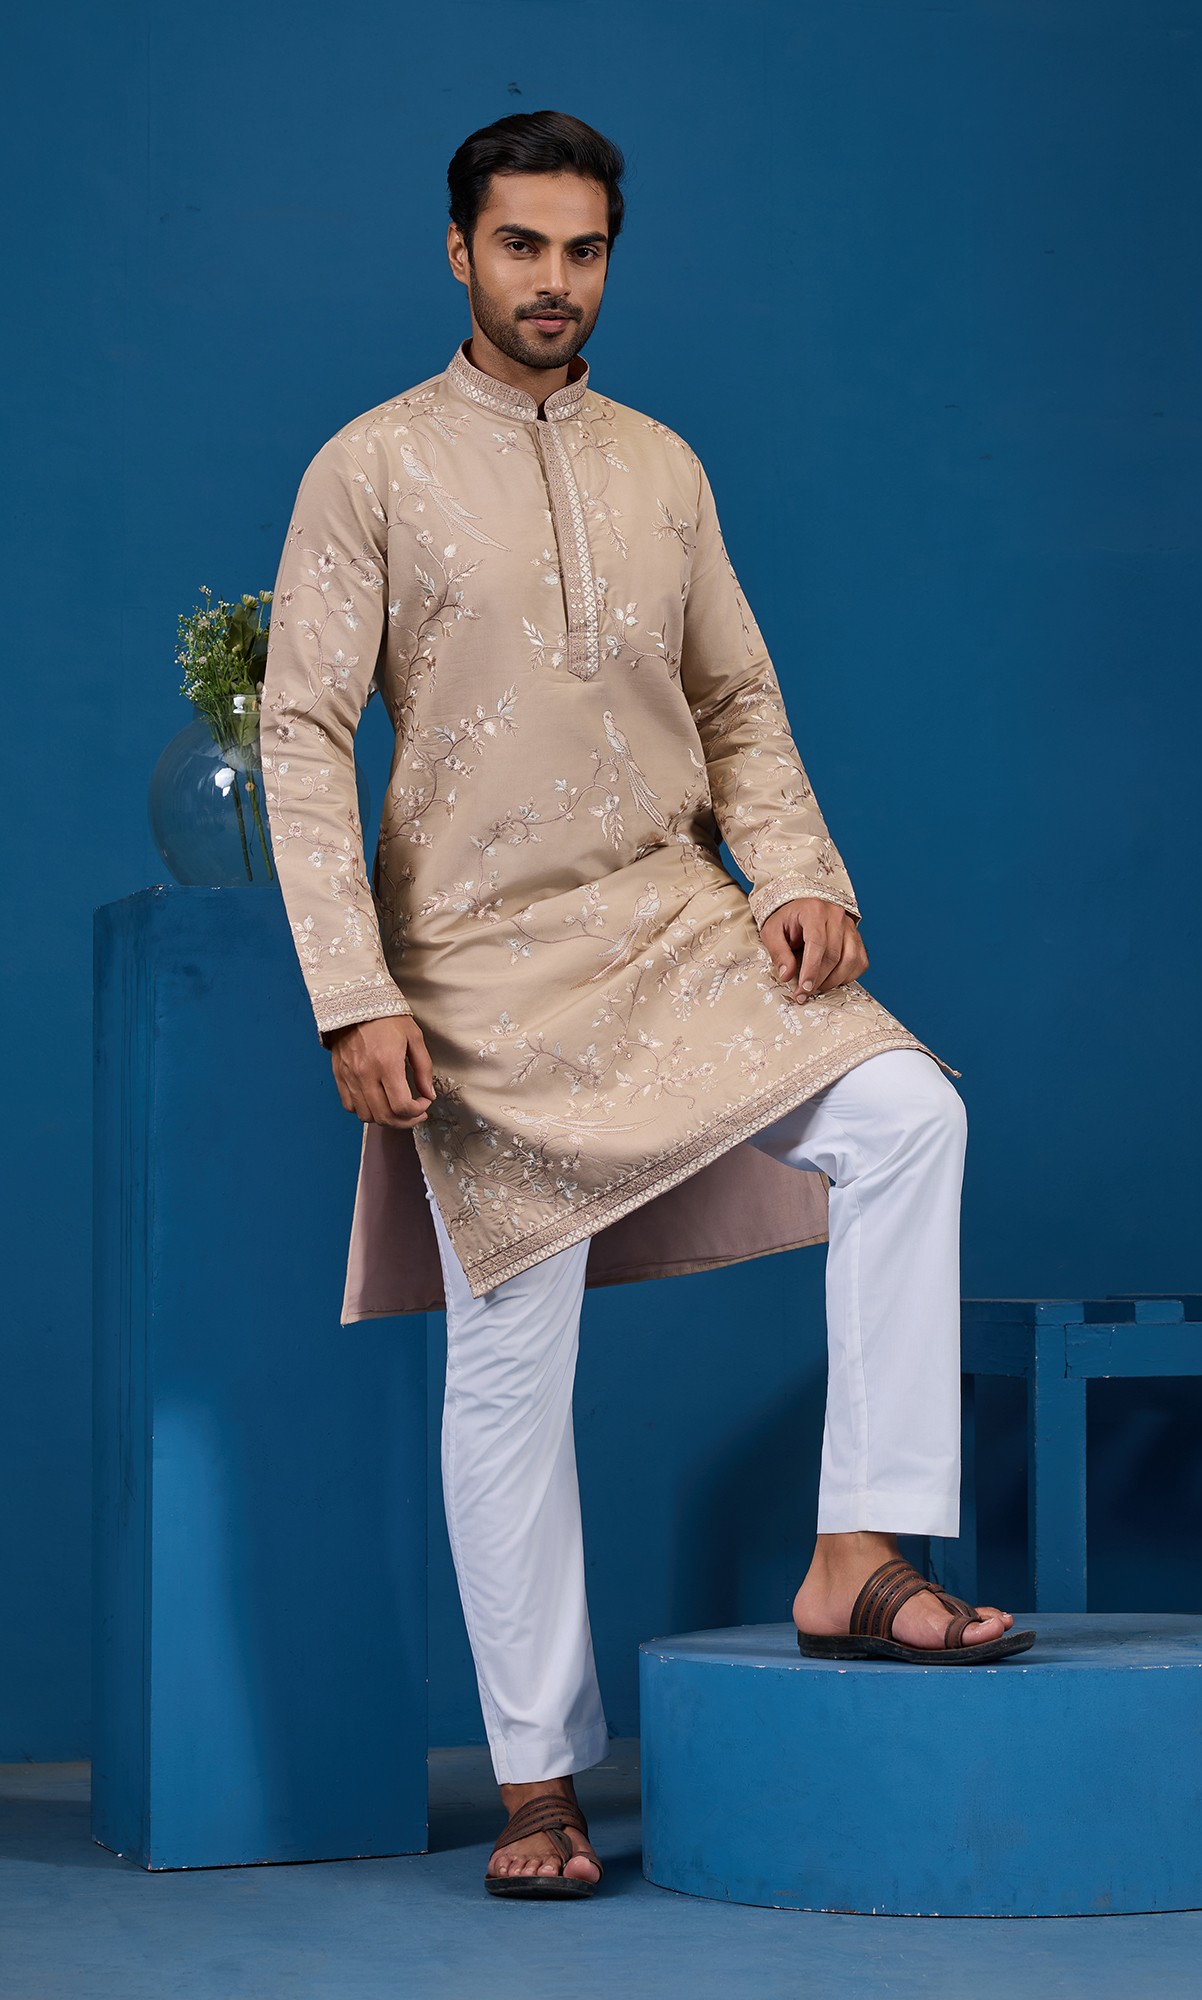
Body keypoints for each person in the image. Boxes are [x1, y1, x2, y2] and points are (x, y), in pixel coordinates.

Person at [260, 109, 1031, 1900]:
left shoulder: (663, 468)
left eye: (584, 250)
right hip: (477, 973)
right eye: (522, 246)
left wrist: (802, 874)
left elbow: (738, 701)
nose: (555, 281)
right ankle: (538, 1778)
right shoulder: (370, 467)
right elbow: (300, 736)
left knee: (908, 1113)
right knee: (510, 1364)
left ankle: (858, 1552)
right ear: (459, 252)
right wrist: (351, 991)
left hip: (672, 927)